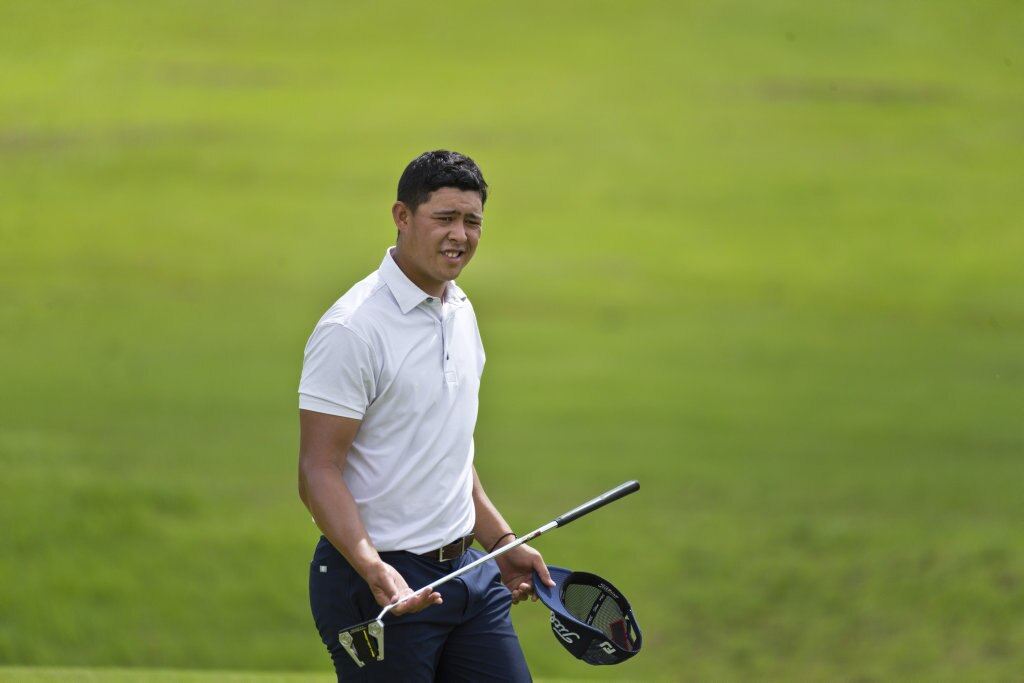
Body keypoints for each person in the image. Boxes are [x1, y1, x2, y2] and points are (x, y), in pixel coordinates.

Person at [297, 150, 553, 681]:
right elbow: (317, 471)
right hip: (376, 584)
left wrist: (502, 544)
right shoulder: (352, 329)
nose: (459, 235)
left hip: (469, 574)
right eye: (444, 219)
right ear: (402, 217)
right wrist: (373, 569)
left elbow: (449, 452)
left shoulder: (460, 310)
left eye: (472, 221)